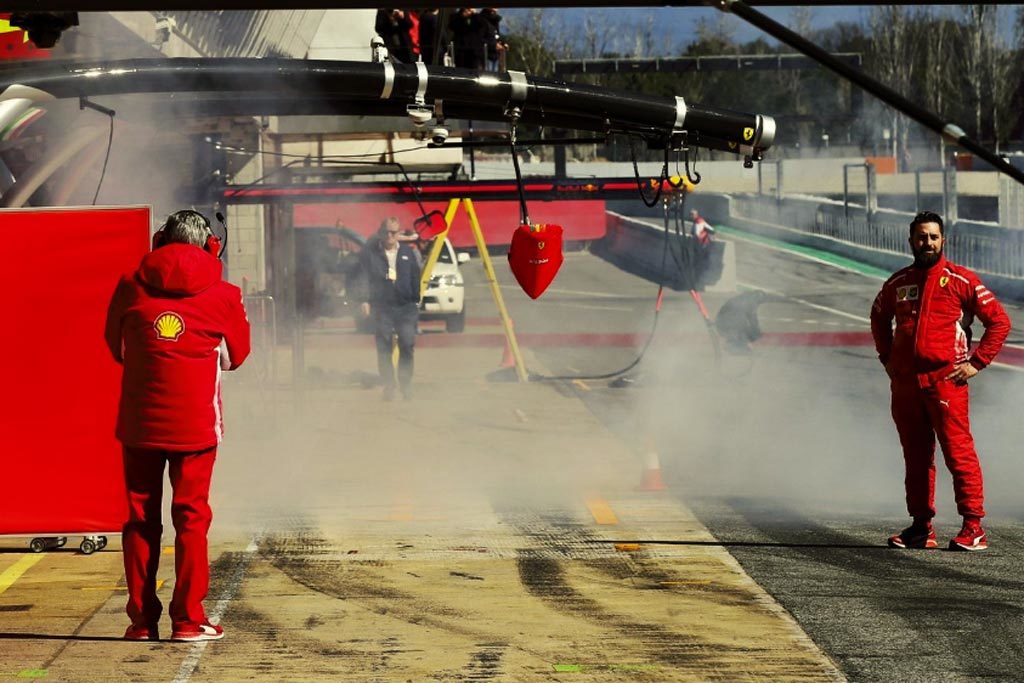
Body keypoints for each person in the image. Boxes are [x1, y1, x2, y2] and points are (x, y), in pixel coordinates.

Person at [104, 210, 250, 642]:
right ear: (211, 246)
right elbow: (237, 357)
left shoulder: (129, 287)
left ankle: (141, 622)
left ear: (158, 242)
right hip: (197, 426)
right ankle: (187, 620)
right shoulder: (225, 294)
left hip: (140, 423)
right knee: (191, 519)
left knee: (139, 520)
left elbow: (118, 348)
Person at [870, 211, 1009, 551]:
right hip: (905, 385)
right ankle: (921, 527)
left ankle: (973, 527)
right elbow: (877, 317)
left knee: (958, 453)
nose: (927, 243)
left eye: (933, 237)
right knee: (915, 457)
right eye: (921, 237)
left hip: (946, 382)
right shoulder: (898, 282)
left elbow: (1000, 322)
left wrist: (976, 363)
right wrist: (887, 359)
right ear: (911, 241)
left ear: (943, 240)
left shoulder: (960, 279)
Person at [359, 217, 422, 400]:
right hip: (382, 306)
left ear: (398, 233)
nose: (390, 236)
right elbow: (363, 277)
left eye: (393, 232)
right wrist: (364, 300)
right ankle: (389, 384)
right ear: (381, 232)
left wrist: (416, 298)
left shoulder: (407, 253)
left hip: (405, 307)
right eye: (386, 231)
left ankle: (406, 384)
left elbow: (415, 275)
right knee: (384, 345)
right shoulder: (371, 254)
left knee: (407, 344)